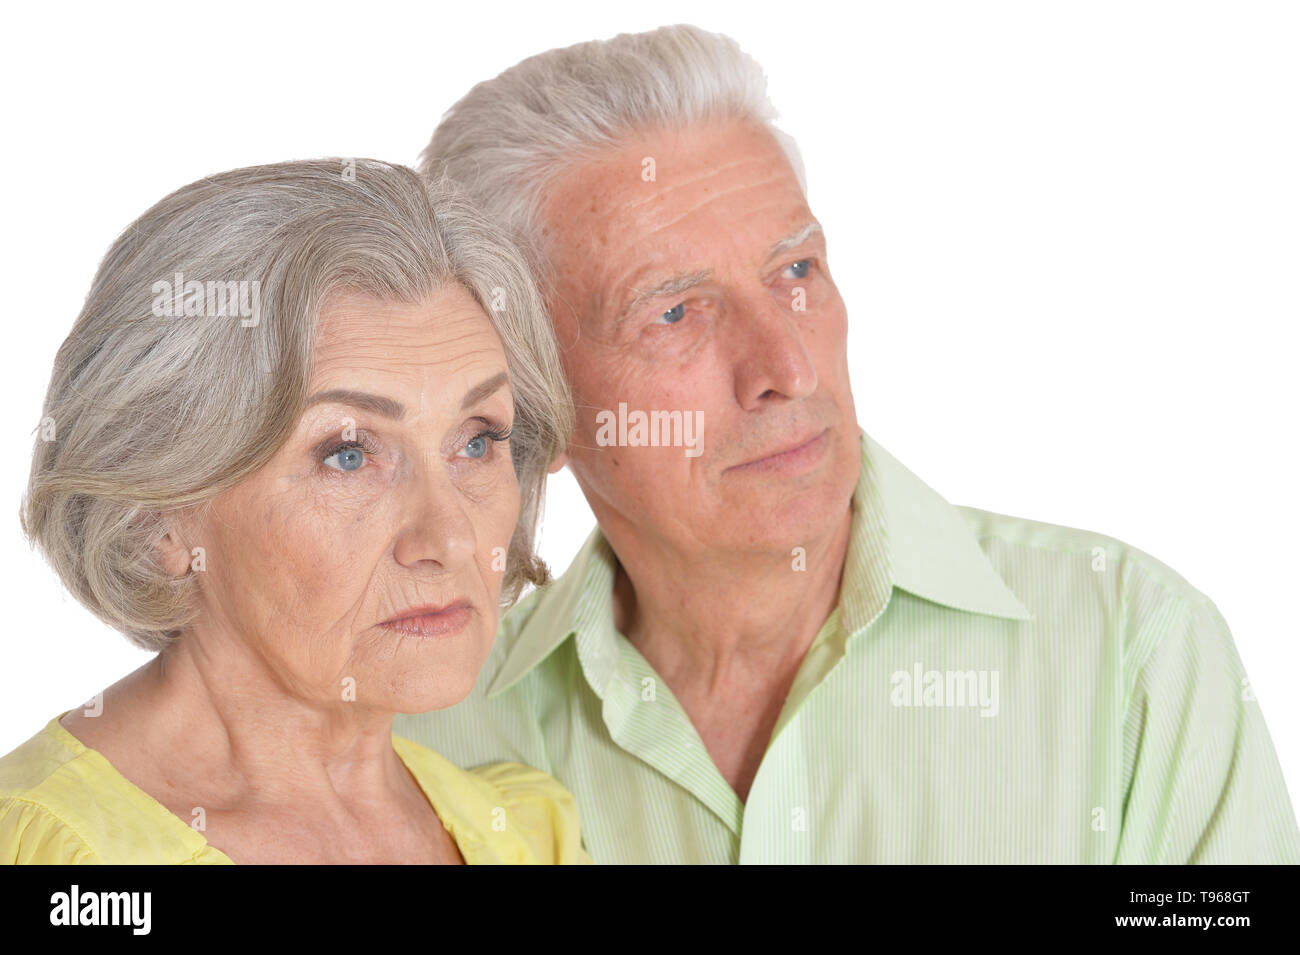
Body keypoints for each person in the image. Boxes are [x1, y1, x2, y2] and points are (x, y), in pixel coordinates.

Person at [394, 24, 1300, 863]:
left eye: (795, 271)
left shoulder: (1135, 651)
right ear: (525, 398)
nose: (786, 365)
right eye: (674, 312)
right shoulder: (417, 732)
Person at [1, 159, 588, 864]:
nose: (452, 538)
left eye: (476, 440)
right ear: (158, 516)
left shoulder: (525, 831)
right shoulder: (51, 853)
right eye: (347, 454)